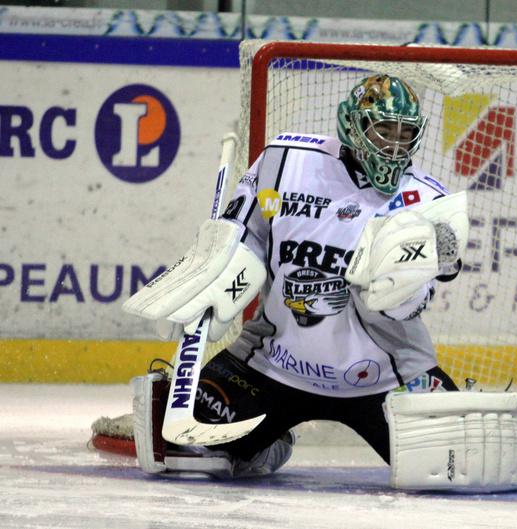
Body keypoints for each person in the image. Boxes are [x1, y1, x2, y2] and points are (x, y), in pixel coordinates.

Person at [123, 75, 466, 478]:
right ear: (353, 126)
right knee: (184, 453)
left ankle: (263, 437)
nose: (394, 144)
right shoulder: (286, 161)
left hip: (388, 379)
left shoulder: (427, 201)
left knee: (452, 467)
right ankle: (270, 443)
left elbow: (419, 296)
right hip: (272, 367)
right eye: (383, 129)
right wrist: (220, 277)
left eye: (405, 132)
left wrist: (402, 289)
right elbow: (244, 239)